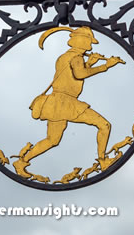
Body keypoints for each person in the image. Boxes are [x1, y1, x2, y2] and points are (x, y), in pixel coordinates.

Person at [13, 26, 125, 178]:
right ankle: (103, 160)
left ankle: (22, 161)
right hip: (67, 102)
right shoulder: (77, 58)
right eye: (89, 42)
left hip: (56, 102)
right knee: (104, 125)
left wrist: (89, 63)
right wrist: (105, 66)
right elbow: (79, 74)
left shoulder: (65, 56)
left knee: (52, 140)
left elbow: (70, 75)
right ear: (81, 41)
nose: (90, 46)